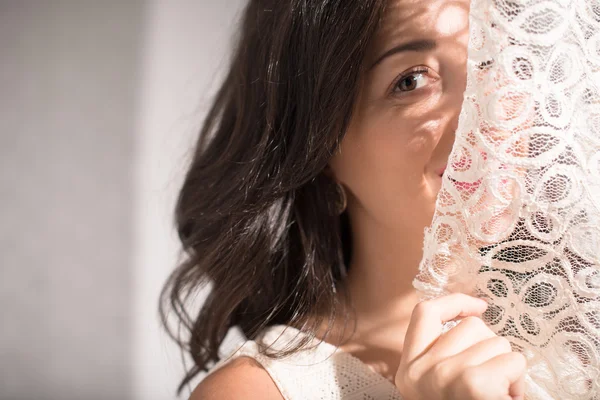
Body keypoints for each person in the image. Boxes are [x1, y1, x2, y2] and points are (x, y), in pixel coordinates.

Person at [160, 0, 528, 399]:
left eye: (492, 61)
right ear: (320, 152)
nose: (484, 114)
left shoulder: (577, 326)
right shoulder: (257, 391)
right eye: (411, 80)